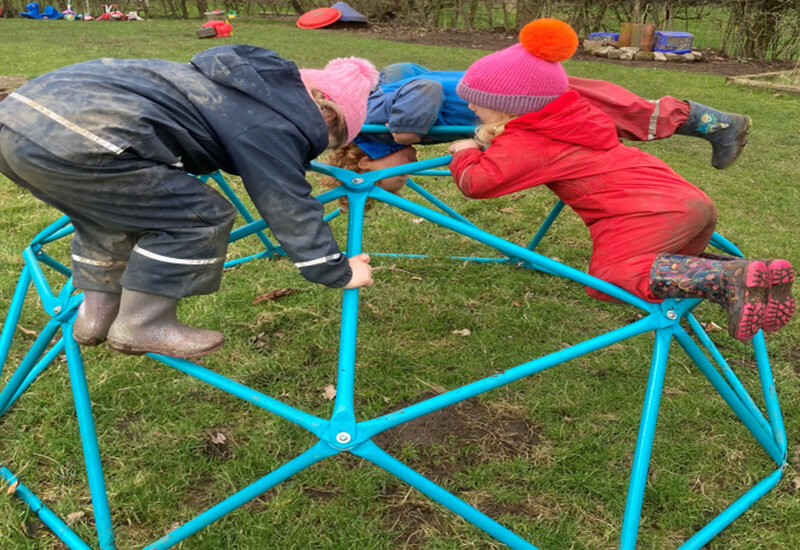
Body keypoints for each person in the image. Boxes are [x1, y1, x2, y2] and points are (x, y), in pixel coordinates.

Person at [0, 45, 378, 358]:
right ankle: (142, 323)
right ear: (328, 116)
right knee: (199, 218)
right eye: (327, 142)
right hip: (88, 136)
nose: (311, 149)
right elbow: (286, 201)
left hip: (18, 122)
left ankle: (95, 316)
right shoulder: (277, 119)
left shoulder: (239, 85)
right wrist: (336, 270)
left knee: (107, 217)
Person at [445, 18, 794, 342]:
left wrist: (464, 151)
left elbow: (480, 183)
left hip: (643, 214)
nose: (471, 107)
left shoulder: (533, 140)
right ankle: (748, 277)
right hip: (686, 200)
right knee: (667, 268)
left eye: (477, 101)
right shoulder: (576, 115)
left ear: (509, 107)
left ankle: (726, 279)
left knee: (614, 279)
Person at [323, 59, 752, 196]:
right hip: (510, 101)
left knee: (618, 112)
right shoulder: (365, 125)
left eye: (363, 171)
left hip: (519, 96)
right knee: (609, 116)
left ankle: (718, 123)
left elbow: (424, 85)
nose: (369, 177)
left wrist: (405, 132)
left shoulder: (370, 118)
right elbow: (406, 69)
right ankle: (711, 124)